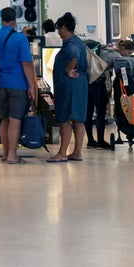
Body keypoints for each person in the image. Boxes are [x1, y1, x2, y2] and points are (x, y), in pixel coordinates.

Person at [0, 7, 36, 164]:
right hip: (17, 84)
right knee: (15, 119)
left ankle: (5, 153)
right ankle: (12, 156)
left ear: (1, 20)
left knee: (4, 119)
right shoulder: (20, 39)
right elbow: (27, 64)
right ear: (15, 21)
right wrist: (31, 86)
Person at [47, 12, 88, 162]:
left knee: (64, 118)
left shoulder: (70, 44)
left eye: (59, 29)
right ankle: (77, 152)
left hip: (68, 86)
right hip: (79, 85)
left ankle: (62, 152)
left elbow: (74, 56)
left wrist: (68, 70)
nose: (58, 32)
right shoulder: (78, 41)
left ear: (64, 28)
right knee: (78, 119)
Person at [90, 39, 133, 149]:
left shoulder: (105, 50)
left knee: (88, 112)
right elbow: (120, 73)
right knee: (100, 112)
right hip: (98, 83)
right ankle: (100, 141)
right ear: (123, 49)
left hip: (87, 82)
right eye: (129, 53)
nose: (128, 56)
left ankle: (90, 141)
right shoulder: (116, 56)